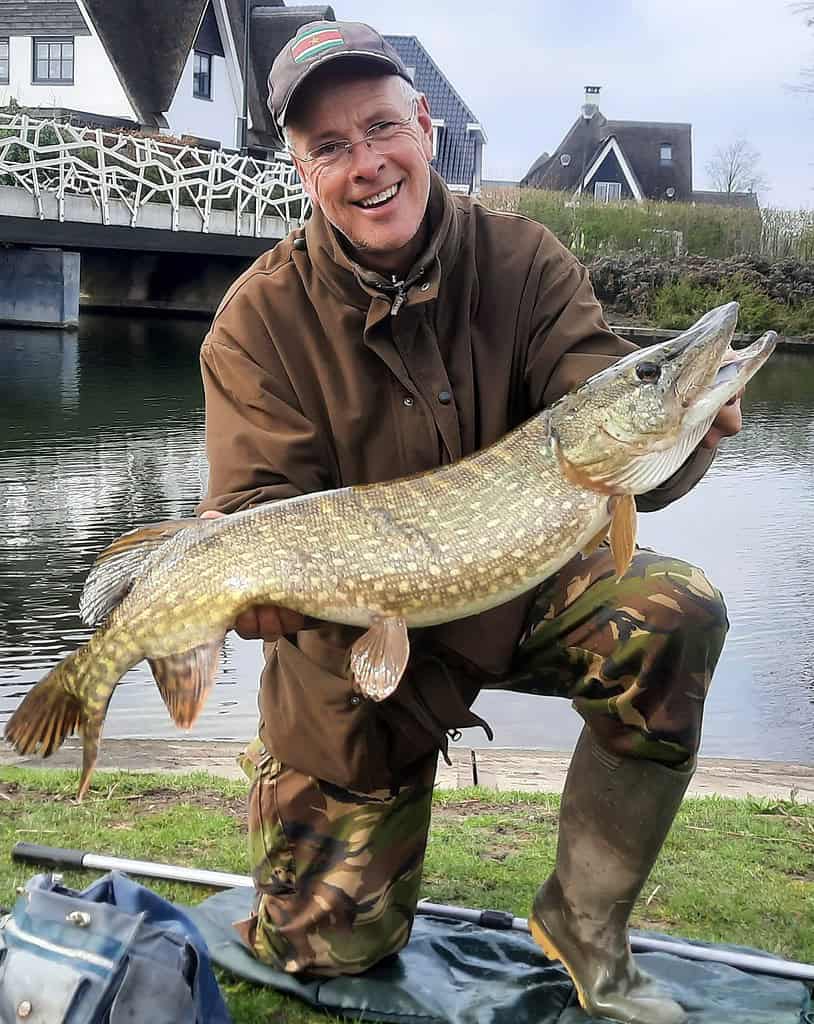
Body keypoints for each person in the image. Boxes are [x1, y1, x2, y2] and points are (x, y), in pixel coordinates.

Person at [197, 21, 739, 1024]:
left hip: (518, 587)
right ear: (300, 167)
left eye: (380, 129)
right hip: (355, 651)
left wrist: (682, 425)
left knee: (672, 610)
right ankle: (319, 859)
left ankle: (583, 922)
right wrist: (254, 591)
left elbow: (599, 407)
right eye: (329, 147)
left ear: (426, 127)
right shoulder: (254, 323)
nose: (366, 166)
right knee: (327, 952)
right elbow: (256, 508)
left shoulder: (522, 258)